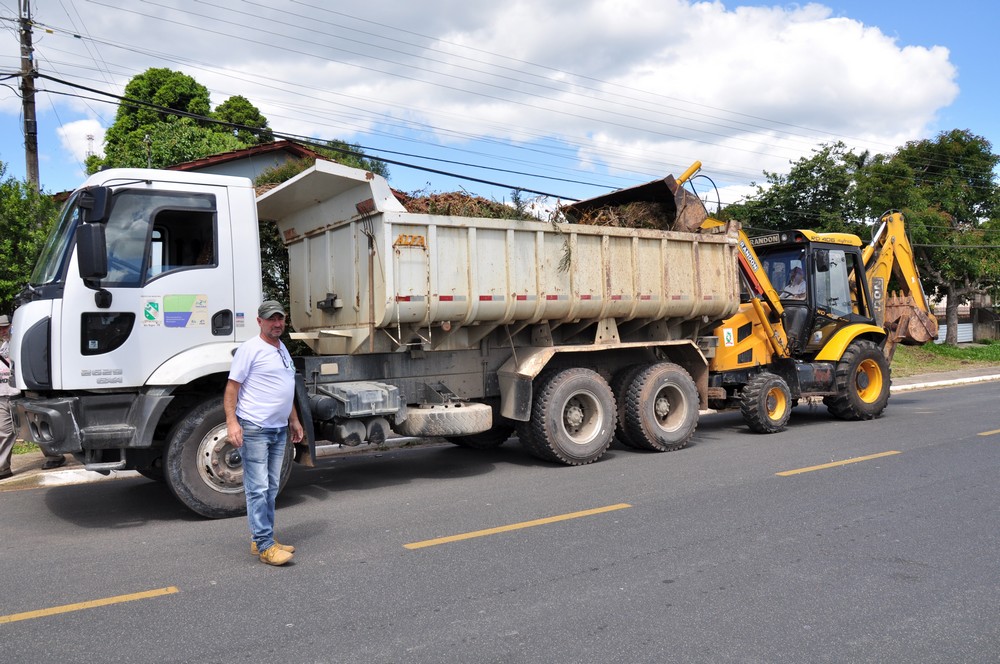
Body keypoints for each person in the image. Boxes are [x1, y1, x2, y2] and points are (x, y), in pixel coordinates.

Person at [224, 301, 303, 566]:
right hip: (255, 428)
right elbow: (232, 389)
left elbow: (286, 387)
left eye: (280, 318)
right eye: (271, 319)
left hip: (278, 429)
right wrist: (232, 423)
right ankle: (266, 546)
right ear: (259, 321)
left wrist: (294, 420)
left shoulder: (282, 349)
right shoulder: (250, 349)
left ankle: (262, 539)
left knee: (270, 488)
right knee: (258, 488)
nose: (277, 323)